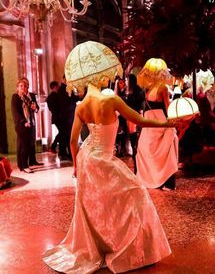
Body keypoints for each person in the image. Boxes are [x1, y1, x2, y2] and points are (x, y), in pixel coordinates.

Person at [43, 42, 185, 274]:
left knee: (96, 204)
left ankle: (102, 244)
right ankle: (125, 246)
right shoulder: (111, 101)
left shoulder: (81, 105)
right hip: (103, 158)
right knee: (134, 193)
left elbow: (72, 141)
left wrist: (77, 166)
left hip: (88, 158)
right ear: (99, 77)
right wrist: (166, 123)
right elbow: (140, 121)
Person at [136, 58, 178, 191]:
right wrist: (173, 123)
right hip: (159, 123)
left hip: (150, 124)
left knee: (148, 151)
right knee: (166, 153)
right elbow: (168, 108)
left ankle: (155, 179)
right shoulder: (162, 88)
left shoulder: (148, 91)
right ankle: (165, 181)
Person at [11, 79, 33, 173]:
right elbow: (15, 112)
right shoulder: (15, 97)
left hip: (28, 123)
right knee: (25, 145)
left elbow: (31, 108)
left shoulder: (25, 98)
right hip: (20, 124)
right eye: (21, 86)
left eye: (24, 86)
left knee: (23, 145)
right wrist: (23, 121)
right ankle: (25, 166)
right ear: (17, 88)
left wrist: (34, 107)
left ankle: (21, 165)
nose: (23, 88)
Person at [125, 73, 145, 173]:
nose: (125, 82)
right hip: (130, 119)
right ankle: (136, 168)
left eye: (126, 80)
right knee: (133, 144)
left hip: (135, 118)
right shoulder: (128, 92)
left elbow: (141, 105)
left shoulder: (137, 92)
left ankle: (138, 169)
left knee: (136, 144)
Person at [22, 77, 43, 166]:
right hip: (25, 122)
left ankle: (33, 160)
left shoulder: (32, 95)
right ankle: (25, 163)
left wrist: (36, 109)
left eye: (27, 84)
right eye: (24, 85)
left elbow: (37, 108)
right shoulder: (20, 96)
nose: (26, 86)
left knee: (32, 141)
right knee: (26, 143)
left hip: (32, 121)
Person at [57, 75, 78, 160]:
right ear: (64, 79)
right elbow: (66, 102)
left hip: (69, 115)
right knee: (66, 135)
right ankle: (64, 153)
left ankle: (66, 153)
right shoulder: (62, 89)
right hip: (65, 117)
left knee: (66, 135)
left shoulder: (68, 88)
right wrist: (77, 97)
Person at [46, 81, 61, 153]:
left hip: (55, 117)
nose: (59, 87)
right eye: (58, 86)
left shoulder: (49, 97)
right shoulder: (57, 96)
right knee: (62, 132)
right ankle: (52, 147)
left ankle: (53, 147)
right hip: (59, 117)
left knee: (62, 132)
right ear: (55, 87)